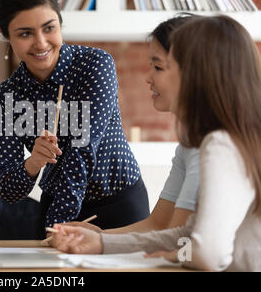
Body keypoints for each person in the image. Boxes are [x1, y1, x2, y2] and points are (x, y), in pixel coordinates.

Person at [51, 15, 261, 272]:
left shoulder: (219, 144)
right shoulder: (236, 138)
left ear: (197, 75)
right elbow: (186, 234)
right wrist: (103, 242)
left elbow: (205, 251)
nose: (149, 77)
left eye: (162, 67)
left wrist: (178, 254)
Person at [0, 0, 149, 239]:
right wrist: (34, 162)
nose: (41, 43)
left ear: (60, 23)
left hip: (119, 206)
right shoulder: (7, 96)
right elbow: (6, 188)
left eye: (49, 28)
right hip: (56, 208)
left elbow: (81, 151)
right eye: (25, 33)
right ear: (4, 33)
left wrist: (57, 227)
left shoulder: (95, 65)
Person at [63, 14, 199, 236]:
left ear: (191, 71)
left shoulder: (211, 145)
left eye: (158, 67)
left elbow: (178, 239)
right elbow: (157, 225)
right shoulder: (187, 146)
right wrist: (99, 237)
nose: (148, 77)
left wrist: (100, 241)